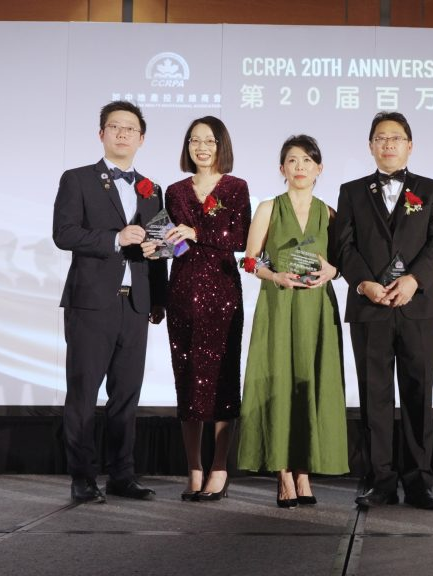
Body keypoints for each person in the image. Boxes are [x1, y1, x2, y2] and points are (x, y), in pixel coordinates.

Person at [331, 112, 433, 510]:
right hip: (370, 305)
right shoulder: (351, 191)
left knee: (418, 396)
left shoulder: (431, 189)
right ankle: (379, 480)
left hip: (419, 307)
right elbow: (344, 245)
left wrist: (414, 280)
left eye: (395, 138)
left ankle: (420, 483)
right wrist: (364, 283)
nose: (388, 144)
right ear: (370, 146)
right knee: (374, 397)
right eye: (380, 138)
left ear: (409, 145)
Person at [53, 100, 167, 503]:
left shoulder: (151, 189)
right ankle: (82, 477)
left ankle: (122, 475)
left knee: (127, 395)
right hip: (91, 304)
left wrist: (159, 297)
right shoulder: (77, 179)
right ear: (101, 133)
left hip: (135, 304)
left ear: (142, 138)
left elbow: (160, 244)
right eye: (115, 127)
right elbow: (64, 233)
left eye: (130, 128)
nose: (122, 133)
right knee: (83, 393)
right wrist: (114, 239)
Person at [237, 135, 348, 508]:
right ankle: (283, 472)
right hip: (279, 305)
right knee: (280, 381)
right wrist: (274, 275)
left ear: (319, 168)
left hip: (317, 309)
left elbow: (341, 262)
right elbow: (249, 259)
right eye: (292, 160)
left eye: (307, 161)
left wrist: (333, 272)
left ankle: (304, 472)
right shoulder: (269, 207)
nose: (300, 167)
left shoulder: (329, 213)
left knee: (310, 383)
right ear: (281, 168)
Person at [145, 116, 250, 501]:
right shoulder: (173, 191)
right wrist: (157, 290)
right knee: (188, 380)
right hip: (182, 291)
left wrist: (198, 232)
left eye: (209, 140)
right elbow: (166, 246)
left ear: (222, 145)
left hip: (223, 293)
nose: (201, 147)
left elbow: (241, 238)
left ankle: (219, 467)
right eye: (194, 140)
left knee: (223, 379)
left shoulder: (236, 187)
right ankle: (193, 468)